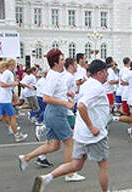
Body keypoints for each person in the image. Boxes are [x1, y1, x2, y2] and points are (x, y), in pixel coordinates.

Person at [31, 59, 124, 192]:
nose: (108, 75)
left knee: (76, 165)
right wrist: (92, 127)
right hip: (94, 135)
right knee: (104, 165)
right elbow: (81, 106)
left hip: (81, 134)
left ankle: (46, 178)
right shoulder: (97, 87)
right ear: (100, 73)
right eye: (106, 72)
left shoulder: (87, 85)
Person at [18, 49, 85, 182]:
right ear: (55, 62)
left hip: (54, 112)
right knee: (69, 142)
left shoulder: (55, 75)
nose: (64, 61)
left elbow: (54, 93)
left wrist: (67, 94)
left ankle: (26, 157)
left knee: (53, 145)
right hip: (56, 112)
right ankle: (70, 173)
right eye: (61, 59)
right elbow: (47, 98)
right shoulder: (54, 75)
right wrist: (65, 103)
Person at [0, 58, 28, 142]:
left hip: (3, 98)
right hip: (5, 99)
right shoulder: (7, 73)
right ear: (12, 65)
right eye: (14, 65)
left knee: (3, 116)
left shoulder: (5, 73)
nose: (15, 67)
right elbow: (3, 85)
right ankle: (17, 135)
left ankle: (12, 129)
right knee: (12, 117)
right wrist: (14, 83)